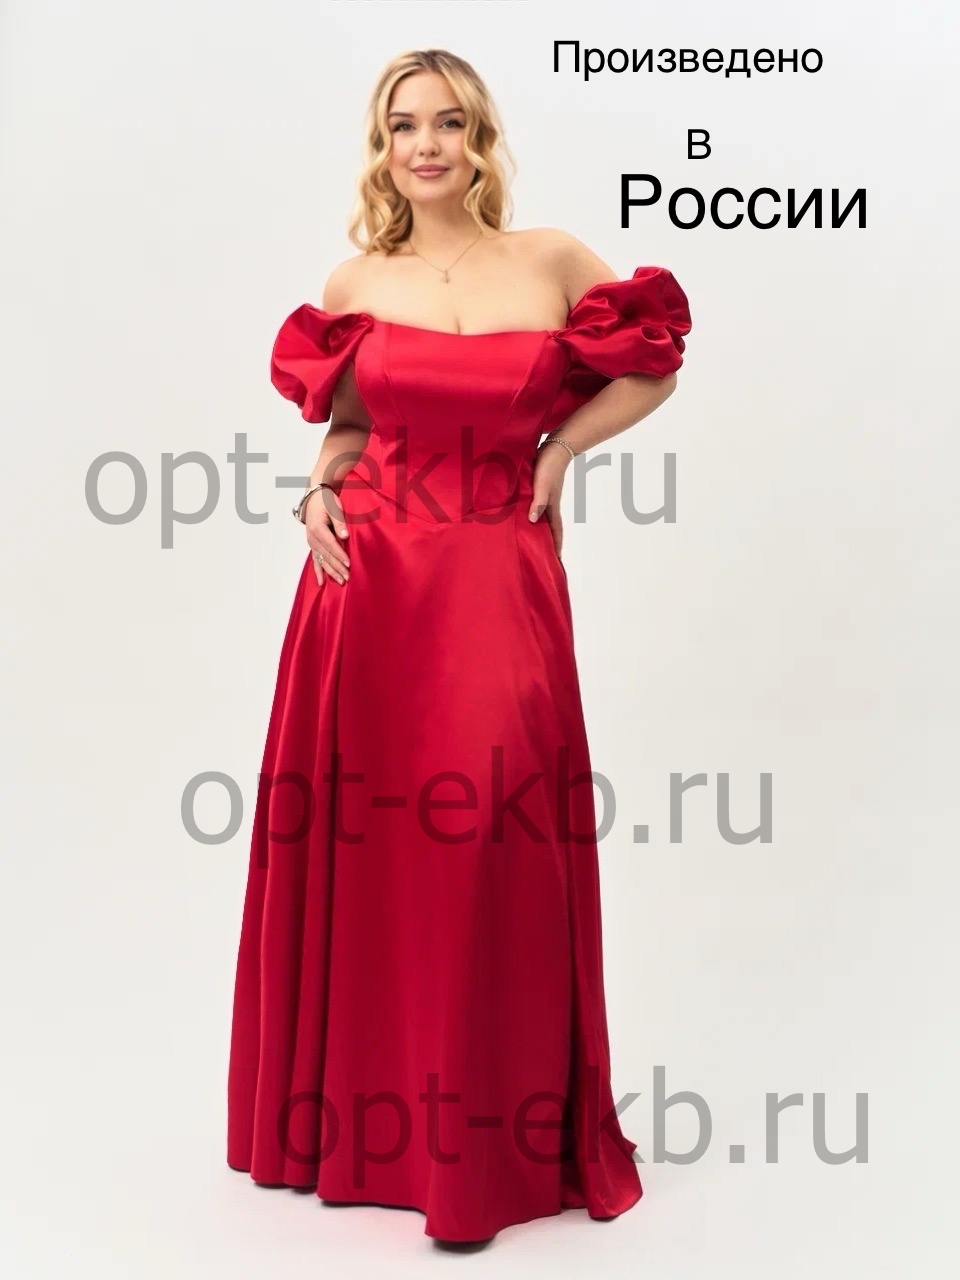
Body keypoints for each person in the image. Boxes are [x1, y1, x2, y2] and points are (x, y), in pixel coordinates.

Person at [227, 47, 692, 1245]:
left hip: (497, 565)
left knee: (487, 824)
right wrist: (316, 491)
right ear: (382, 150)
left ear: (480, 140)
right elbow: (352, 422)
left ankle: (478, 1152)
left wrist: (562, 448)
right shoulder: (359, 276)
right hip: (369, 576)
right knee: (378, 837)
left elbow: (654, 362)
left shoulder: (550, 259)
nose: (424, 145)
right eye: (402, 127)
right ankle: (358, 1129)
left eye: (446, 123)